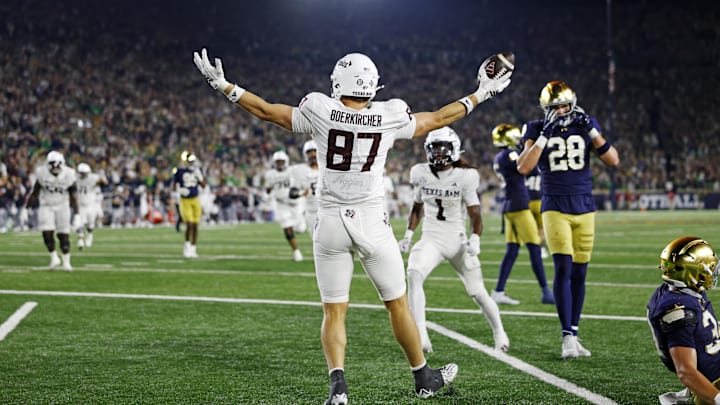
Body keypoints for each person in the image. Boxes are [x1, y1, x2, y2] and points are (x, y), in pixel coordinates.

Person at [193, 47, 511, 403]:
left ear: (336, 83)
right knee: (397, 305)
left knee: (334, 311)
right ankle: (423, 377)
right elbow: (437, 119)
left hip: (329, 221)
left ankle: (338, 388)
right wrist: (481, 94)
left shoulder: (320, 108)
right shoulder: (389, 113)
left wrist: (225, 86)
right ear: (373, 85)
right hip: (372, 221)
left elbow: (267, 111)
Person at [517, 80, 619, 359]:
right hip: (555, 206)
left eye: (564, 105)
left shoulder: (586, 124)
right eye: (555, 107)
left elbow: (613, 160)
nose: (561, 111)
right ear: (544, 108)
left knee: (580, 273)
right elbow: (524, 167)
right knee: (563, 267)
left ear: (572, 104)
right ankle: (566, 337)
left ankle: (574, 332)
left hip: (585, 206)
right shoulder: (535, 127)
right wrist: (543, 136)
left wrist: (593, 132)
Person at [398, 126, 509, 353]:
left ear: (454, 148)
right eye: (434, 148)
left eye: (442, 148)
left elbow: (475, 213)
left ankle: (499, 331)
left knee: (477, 291)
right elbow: (416, 208)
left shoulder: (465, 176)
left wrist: (475, 238)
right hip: (431, 239)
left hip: (457, 241)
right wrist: (408, 235)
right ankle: (421, 334)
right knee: (413, 274)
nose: (438, 153)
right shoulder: (420, 173)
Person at [647, 236, 720, 405]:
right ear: (690, 273)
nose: (711, 272)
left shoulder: (683, 289)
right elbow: (686, 372)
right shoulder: (678, 311)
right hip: (713, 382)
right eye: (708, 268)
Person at [490, 123, 554, 306]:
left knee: (512, 250)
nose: (519, 140)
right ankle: (546, 291)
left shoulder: (500, 156)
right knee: (534, 247)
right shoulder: (509, 155)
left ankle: (498, 290)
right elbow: (528, 167)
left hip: (511, 206)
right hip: (519, 205)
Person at [26, 150, 78, 271]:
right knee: (46, 232)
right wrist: (26, 208)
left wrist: (77, 214)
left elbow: (74, 195)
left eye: (57, 164)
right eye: (52, 164)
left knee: (63, 234)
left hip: (63, 205)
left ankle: (66, 261)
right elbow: (35, 191)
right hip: (46, 205)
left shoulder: (69, 174)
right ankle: (54, 257)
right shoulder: (42, 173)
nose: (55, 167)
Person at [263, 150, 307, 262]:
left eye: (282, 161)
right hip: (281, 204)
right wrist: (269, 187)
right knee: (287, 227)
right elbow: (268, 190)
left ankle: (300, 226)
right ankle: (297, 252)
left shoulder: (293, 171)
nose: (280, 164)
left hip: (296, 203)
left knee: (301, 229)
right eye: (278, 162)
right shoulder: (270, 174)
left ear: (286, 161)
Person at [172, 151, 206, 258]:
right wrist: (180, 190)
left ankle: (193, 248)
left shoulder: (197, 170)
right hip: (185, 200)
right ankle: (186, 246)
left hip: (195, 199)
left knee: (195, 225)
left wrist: (199, 177)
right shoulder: (179, 171)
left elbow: (203, 185)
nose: (191, 163)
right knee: (189, 224)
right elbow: (174, 186)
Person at [74, 162, 109, 250]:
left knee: (90, 225)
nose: (84, 174)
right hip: (81, 204)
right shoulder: (75, 178)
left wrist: (102, 175)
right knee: (79, 224)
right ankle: (80, 240)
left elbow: (105, 182)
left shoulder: (93, 177)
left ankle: (89, 235)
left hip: (91, 204)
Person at [292, 140, 320, 236]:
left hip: (330, 210)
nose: (312, 154)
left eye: (314, 151)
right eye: (309, 152)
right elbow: (292, 193)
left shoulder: (328, 168)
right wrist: (301, 193)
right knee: (318, 243)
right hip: (312, 213)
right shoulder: (300, 170)